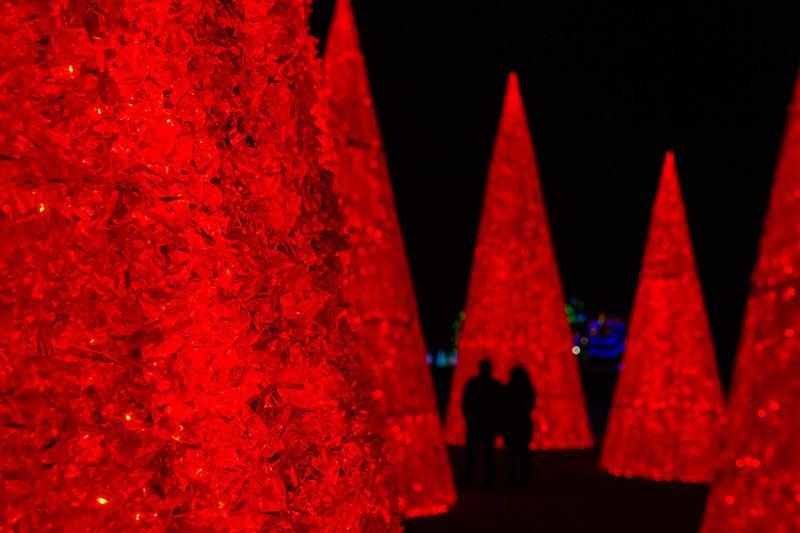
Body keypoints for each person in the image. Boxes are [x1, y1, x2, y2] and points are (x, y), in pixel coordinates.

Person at [462, 358, 503, 489]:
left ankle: (472, 479)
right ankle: (485, 480)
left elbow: (465, 402)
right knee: (485, 454)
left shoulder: (474, 384)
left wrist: (468, 417)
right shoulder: (494, 385)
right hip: (485, 424)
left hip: (480, 424)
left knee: (475, 454)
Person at [503, 365, 536, 486]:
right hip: (521, 426)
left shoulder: (508, 390)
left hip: (514, 426)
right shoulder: (527, 390)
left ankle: (513, 478)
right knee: (522, 454)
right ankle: (523, 478)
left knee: (514, 454)